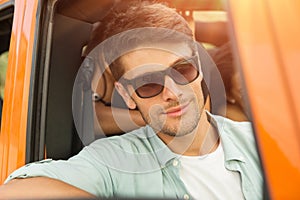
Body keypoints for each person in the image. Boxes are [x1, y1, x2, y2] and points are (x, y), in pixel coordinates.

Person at [0, 1, 262, 199]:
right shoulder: (114, 160)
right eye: (149, 83)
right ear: (126, 95)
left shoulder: (260, 142)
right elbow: (14, 192)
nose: (171, 91)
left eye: (182, 70)